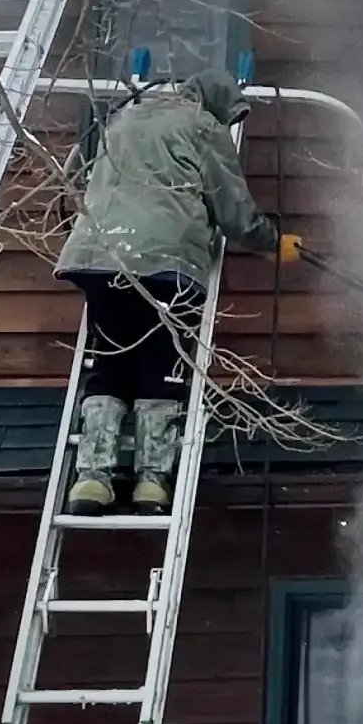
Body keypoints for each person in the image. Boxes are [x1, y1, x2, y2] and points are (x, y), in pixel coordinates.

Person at [55, 69, 301, 516]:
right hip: (166, 262)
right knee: (161, 362)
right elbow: (234, 212)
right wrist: (273, 243)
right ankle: (151, 483)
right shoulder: (203, 125)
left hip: (99, 253)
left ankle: (92, 479)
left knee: (109, 360)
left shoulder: (125, 117)